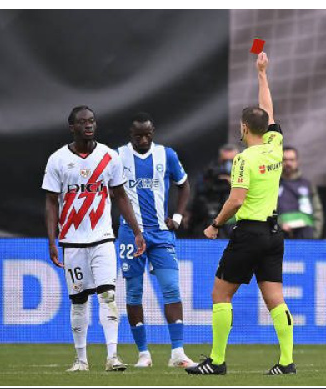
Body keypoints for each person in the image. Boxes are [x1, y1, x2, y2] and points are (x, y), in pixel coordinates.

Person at [186, 53, 295, 376]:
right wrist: (262, 75)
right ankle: (286, 362)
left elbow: (236, 200)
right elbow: (269, 112)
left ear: (244, 127)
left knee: (221, 293)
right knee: (275, 297)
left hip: (249, 233)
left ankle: (217, 362)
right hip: (274, 234)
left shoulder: (244, 159)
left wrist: (215, 224)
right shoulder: (275, 146)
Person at [42, 105, 146, 372]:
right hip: (72, 242)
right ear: (72, 127)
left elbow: (120, 196)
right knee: (78, 302)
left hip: (102, 239)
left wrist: (136, 230)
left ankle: (113, 356)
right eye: (83, 122)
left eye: (92, 121)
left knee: (108, 296)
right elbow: (51, 202)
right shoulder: (57, 160)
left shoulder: (109, 157)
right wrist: (52, 240)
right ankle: (81, 360)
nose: (89, 125)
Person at [116, 112, 196, 369]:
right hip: (131, 233)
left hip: (161, 233)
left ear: (153, 132)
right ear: (131, 135)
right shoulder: (117, 156)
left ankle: (178, 352)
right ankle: (143, 353)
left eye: (148, 134)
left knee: (171, 287)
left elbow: (183, 184)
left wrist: (177, 216)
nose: (143, 139)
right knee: (134, 292)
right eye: (138, 135)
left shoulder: (166, 155)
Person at [189, 144, 240, 238]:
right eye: (225, 161)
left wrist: (233, 184)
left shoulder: (245, 174)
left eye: (232, 161)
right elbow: (199, 193)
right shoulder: (210, 172)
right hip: (211, 216)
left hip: (235, 220)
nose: (229, 164)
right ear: (220, 159)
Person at [278, 146, 323, 239]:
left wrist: (315, 234)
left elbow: (317, 210)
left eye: (291, 160)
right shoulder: (273, 184)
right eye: (284, 160)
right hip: (280, 236)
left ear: (297, 162)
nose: (288, 163)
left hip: (305, 237)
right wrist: (278, 224)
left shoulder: (307, 184)